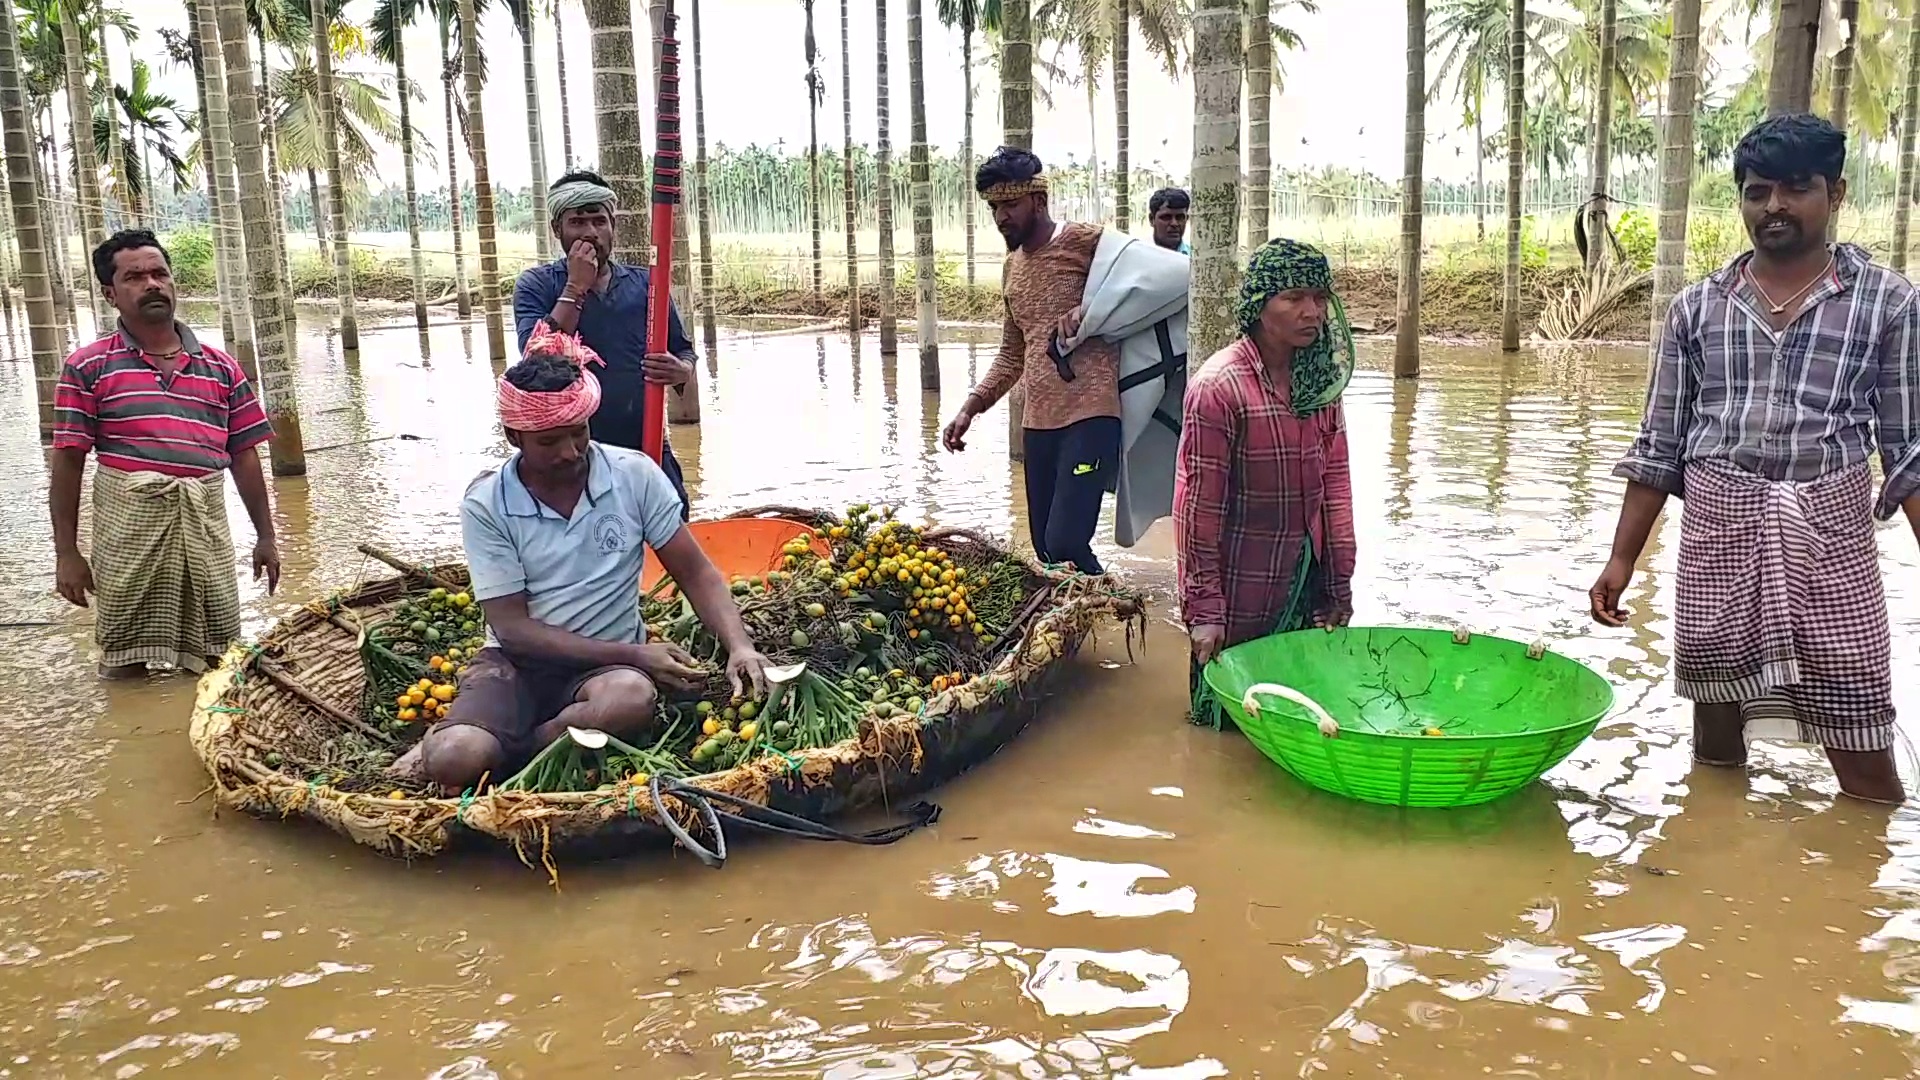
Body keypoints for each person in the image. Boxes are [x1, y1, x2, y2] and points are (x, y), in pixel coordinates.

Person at [1589, 114, 1920, 805]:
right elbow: (1659, 447)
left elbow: (1909, 453)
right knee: (1715, 726)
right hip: (1721, 533)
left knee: (1861, 733)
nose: (1774, 206)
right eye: (1757, 191)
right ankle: (1713, 855)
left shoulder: (1888, 304)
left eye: (1796, 188)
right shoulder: (1696, 310)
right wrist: (1620, 563)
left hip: (1831, 541)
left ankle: (1862, 872)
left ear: (1836, 193)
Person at [396, 325, 771, 790]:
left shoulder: (633, 475)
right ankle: (468, 739)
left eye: (578, 433)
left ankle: (521, 746)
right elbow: (513, 629)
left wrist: (739, 645)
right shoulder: (488, 504)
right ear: (515, 436)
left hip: (605, 673)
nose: (570, 452)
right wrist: (635, 652)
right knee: (456, 758)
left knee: (631, 698)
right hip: (517, 663)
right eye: (549, 442)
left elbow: (695, 572)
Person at [50, 229, 281, 679]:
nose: (152, 284)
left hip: (205, 528)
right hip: (128, 536)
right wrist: (67, 553)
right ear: (110, 293)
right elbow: (69, 462)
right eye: (135, 277)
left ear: (173, 283)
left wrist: (266, 536)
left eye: (160, 273)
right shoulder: (87, 367)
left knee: (218, 658)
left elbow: (245, 456)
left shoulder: (221, 367)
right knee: (123, 660)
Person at [1176, 239, 1357, 726]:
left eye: (1319, 297)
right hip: (1239, 585)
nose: (1311, 312)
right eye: (1294, 297)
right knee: (1229, 716)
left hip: (1302, 579)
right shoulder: (1219, 388)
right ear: (1260, 305)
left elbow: (1335, 487)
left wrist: (1338, 581)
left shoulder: (1320, 383)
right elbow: (1198, 509)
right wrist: (1205, 608)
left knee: (1300, 713)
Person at [941, 147, 1122, 574]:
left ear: (1038, 201)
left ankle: (1123, 611)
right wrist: (971, 408)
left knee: (1066, 538)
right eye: (994, 208)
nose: (1001, 217)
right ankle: (1087, 619)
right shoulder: (1011, 269)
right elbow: (1012, 354)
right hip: (1037, 424)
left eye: (1010, 205)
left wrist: (1095, 307)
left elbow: (1151, 281)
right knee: (1044, 548)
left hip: (1091, 416)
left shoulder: (1087, 241)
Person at [513, 169, 697, 521]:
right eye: (577, 222)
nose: (590, 233)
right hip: (574, 460)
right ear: (557, 230)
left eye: (599, 221)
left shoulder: (647, 285)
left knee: (671, 533)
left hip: (647, 449)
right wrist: (575, 287)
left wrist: (681, 369)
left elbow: (683, 349)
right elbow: (537, 358)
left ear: (613, 224)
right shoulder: (536, 286)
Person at [1148, 188, 1191, 254]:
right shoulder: (1139, 258)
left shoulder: (1196, 260)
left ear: (1186, 219)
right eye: (1166, 217)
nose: (1174, 223)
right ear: (1151, 219)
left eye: (1180, 218)